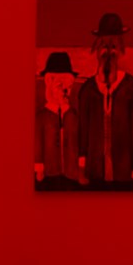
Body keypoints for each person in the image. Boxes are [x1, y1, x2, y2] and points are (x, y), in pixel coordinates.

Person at [78, 13, 133, 191]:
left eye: (113, 46)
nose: (108, 52)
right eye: (104, 47)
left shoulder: (130, 86)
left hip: (123, 172)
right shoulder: (87, 89)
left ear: (120, 49)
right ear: (97, 50)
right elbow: (82, 131)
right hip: (93, 173)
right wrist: (81, 170)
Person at [35, 52, 81, 190]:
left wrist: (81, 167)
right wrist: (39, 168)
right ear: (50, 84)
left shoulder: (73, 115)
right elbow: (38, 144)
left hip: (72, 174)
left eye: (67, 86)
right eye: (60, 86)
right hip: (49, 173)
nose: (64, 91)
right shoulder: (42, 117)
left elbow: (79, 142)